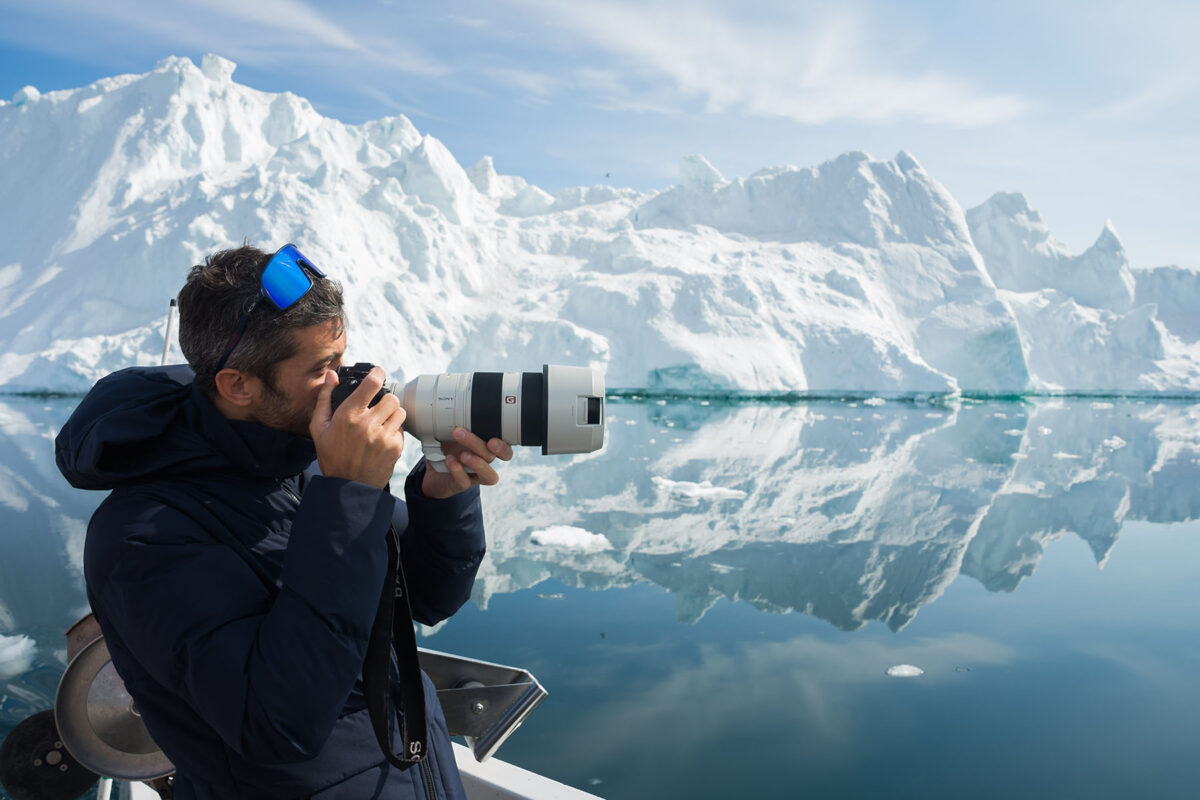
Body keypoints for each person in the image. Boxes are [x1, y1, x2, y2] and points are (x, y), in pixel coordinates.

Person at [55, 243, 512, 799]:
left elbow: (431, 596)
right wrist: (348, 499)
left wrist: (439, 498)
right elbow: (277, 723)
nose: (349, 382)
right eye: (323, 368)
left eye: (343, 359)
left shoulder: (309, 467)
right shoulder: (142, 536)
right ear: (238, 385)